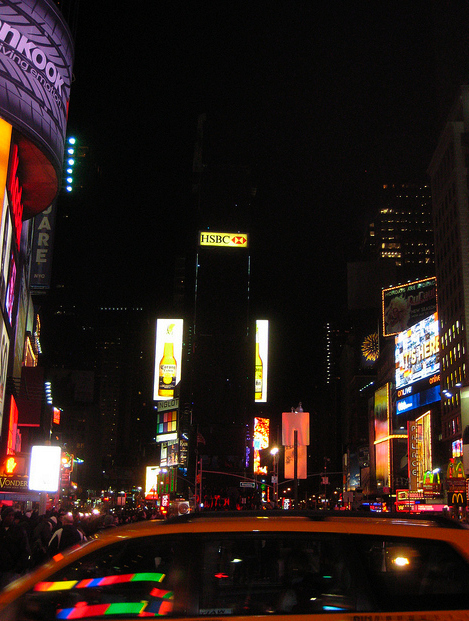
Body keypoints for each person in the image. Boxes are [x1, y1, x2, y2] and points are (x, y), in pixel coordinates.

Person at [0, 506, 31, 588]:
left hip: (11, 569)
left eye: (12, 515)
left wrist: (19, 567)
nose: (11, 517)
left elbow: (25, 549)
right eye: (9, 515)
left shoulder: (19, 530)